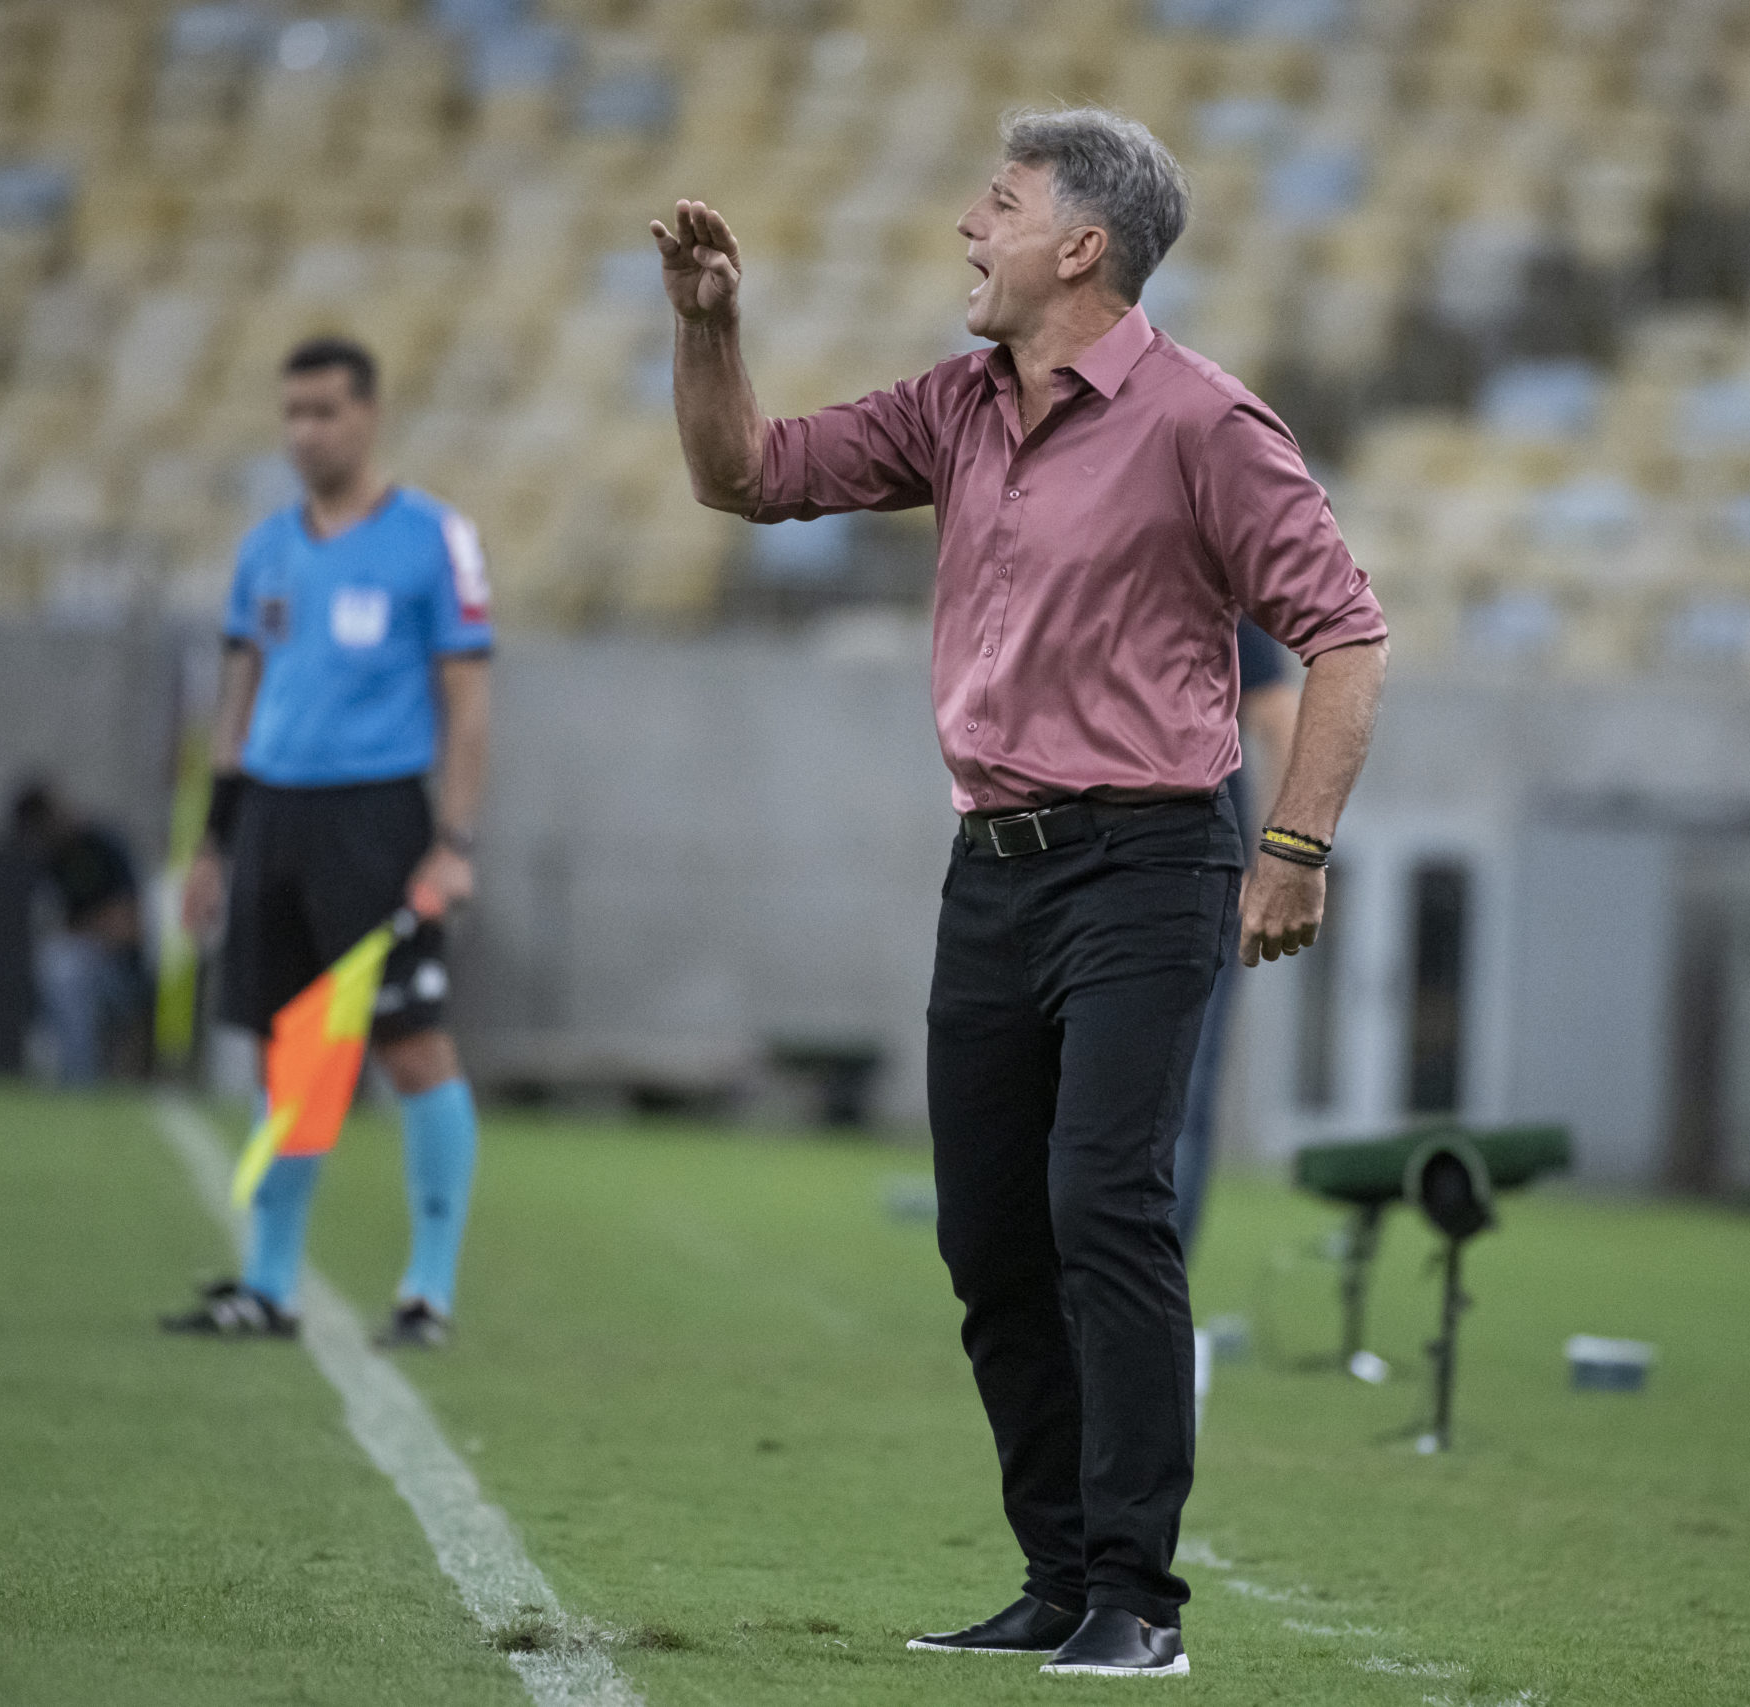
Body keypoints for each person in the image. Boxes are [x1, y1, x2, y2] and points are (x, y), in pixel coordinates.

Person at [654, 107, 1388, 1678]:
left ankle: (1140, 1593)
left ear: (1084, 246)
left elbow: (1348, 634)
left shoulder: (1208, 422)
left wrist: (1296, 845)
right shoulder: (954, 407)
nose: (965, 229)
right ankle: (1057, 1576)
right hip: (991, 868)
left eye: (997, 202)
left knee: (1100, 1203)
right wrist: (711, 332)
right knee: (989, 1235)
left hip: (1151, 855)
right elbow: (743, 475)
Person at [165, 336, 495, 1349]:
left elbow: (468, 699)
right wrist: (215, 844)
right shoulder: (265, 548)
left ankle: (427, 1291)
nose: (307, 432)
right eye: (293, 414)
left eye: (325, 412)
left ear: (370, 416)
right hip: (273, 816)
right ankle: (268, 1284)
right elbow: (238, 699)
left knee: (410, 1046)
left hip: (378, 820)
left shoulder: (433, 539)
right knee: (288, 1052)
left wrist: (452, 839)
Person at [1171, 618, 1299, 1261]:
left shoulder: (1213, 572)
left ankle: (1142, 1297)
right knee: (1184, 1090)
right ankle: (1143, 1293)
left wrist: (1275, 865)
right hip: (1188, 870)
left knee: (1180, 1091)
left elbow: (1277, 714)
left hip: (1195, 873)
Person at [9, 779, 151, 1086]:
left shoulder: (103, 847)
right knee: (52, 964)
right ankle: (46, 1064)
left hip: (120, 974)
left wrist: (79, 931)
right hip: (71, 969)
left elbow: (129, 926)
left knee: (63, 966)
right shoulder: (48, 862)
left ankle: (79, 1079)